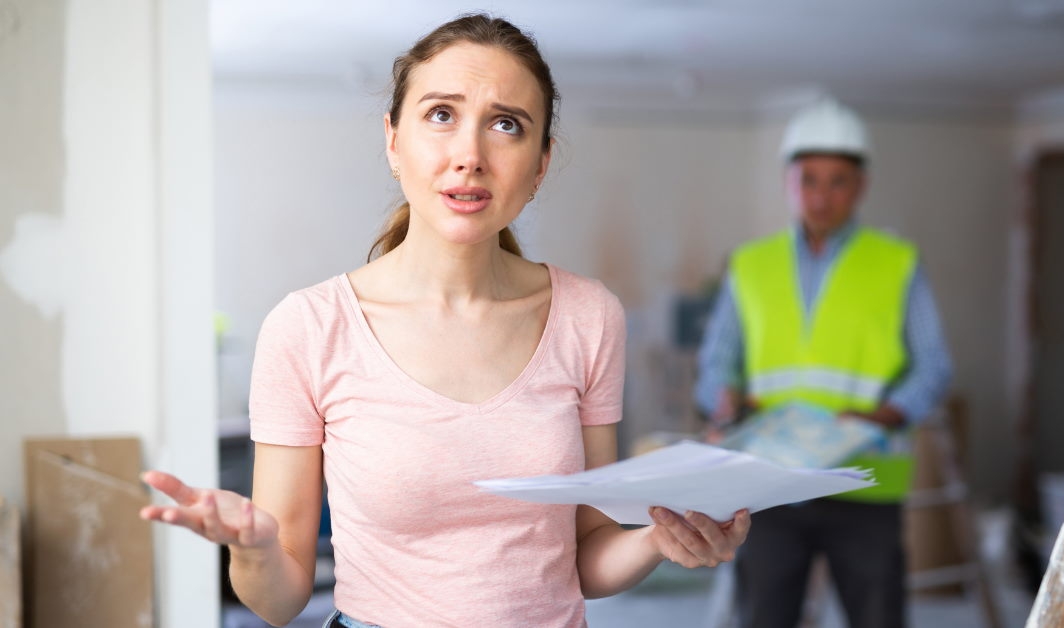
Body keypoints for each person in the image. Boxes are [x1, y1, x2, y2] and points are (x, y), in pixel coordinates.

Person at [140, 14, 750, 628]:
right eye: (440, 115)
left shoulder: (589, 316)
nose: (470, 156)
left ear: (540, 165)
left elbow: (587, 550)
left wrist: (658, 538)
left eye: (506, 125)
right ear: (393, 140)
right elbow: (281, 597)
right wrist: (253, 550)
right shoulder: (307, 328)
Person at [694, 97, 953, 628]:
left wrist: (882, 417)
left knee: (878, 617)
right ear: (788, 181)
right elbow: (717, 364)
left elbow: (934, 367)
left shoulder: (896, 263)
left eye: (838, 181)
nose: (821, 195)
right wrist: (722, 400)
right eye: (808, 179)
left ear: (861, 186)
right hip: (769, 483)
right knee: (763, 618)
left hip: (864, 479)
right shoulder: (750, 265)